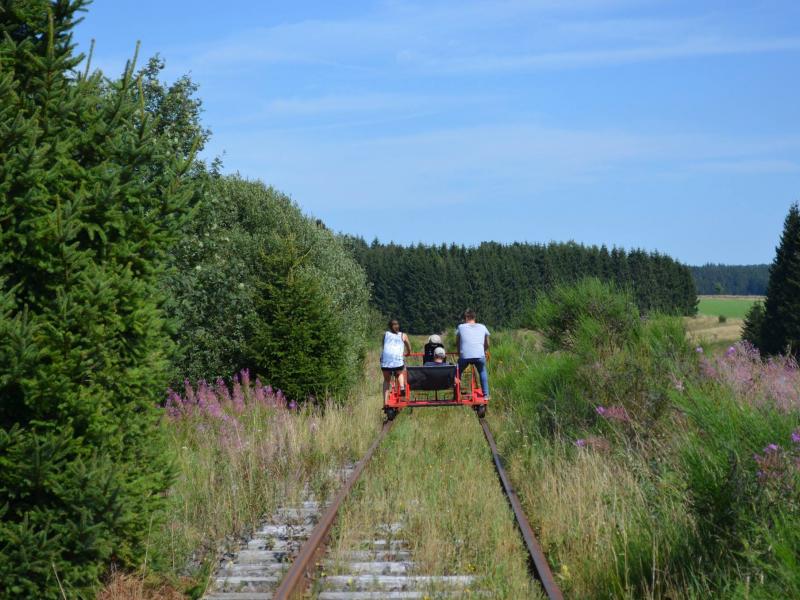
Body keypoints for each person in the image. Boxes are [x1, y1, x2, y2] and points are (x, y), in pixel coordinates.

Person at [455, 308, 490, 399]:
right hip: (479, 355)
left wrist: (459, 352)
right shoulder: (483, 327)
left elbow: (457, 342)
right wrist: (484, 350)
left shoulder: (461, 327)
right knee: (482, 371)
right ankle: (486, 395)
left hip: (465, 356)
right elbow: (487, 343)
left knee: (457, 371)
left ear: (466, 317)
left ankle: (457, 393)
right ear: (474, 317)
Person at [381, 318, 411, 402]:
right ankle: (402, 387)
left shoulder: (385, 334)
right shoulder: (403, 335)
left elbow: (384, 346)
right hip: (398, 362)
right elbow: (409, 347)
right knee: (399, 372)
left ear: (389, 327)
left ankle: (385, 402)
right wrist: (408, 353)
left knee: (386, 381)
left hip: (385, 362)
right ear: (398, 326)